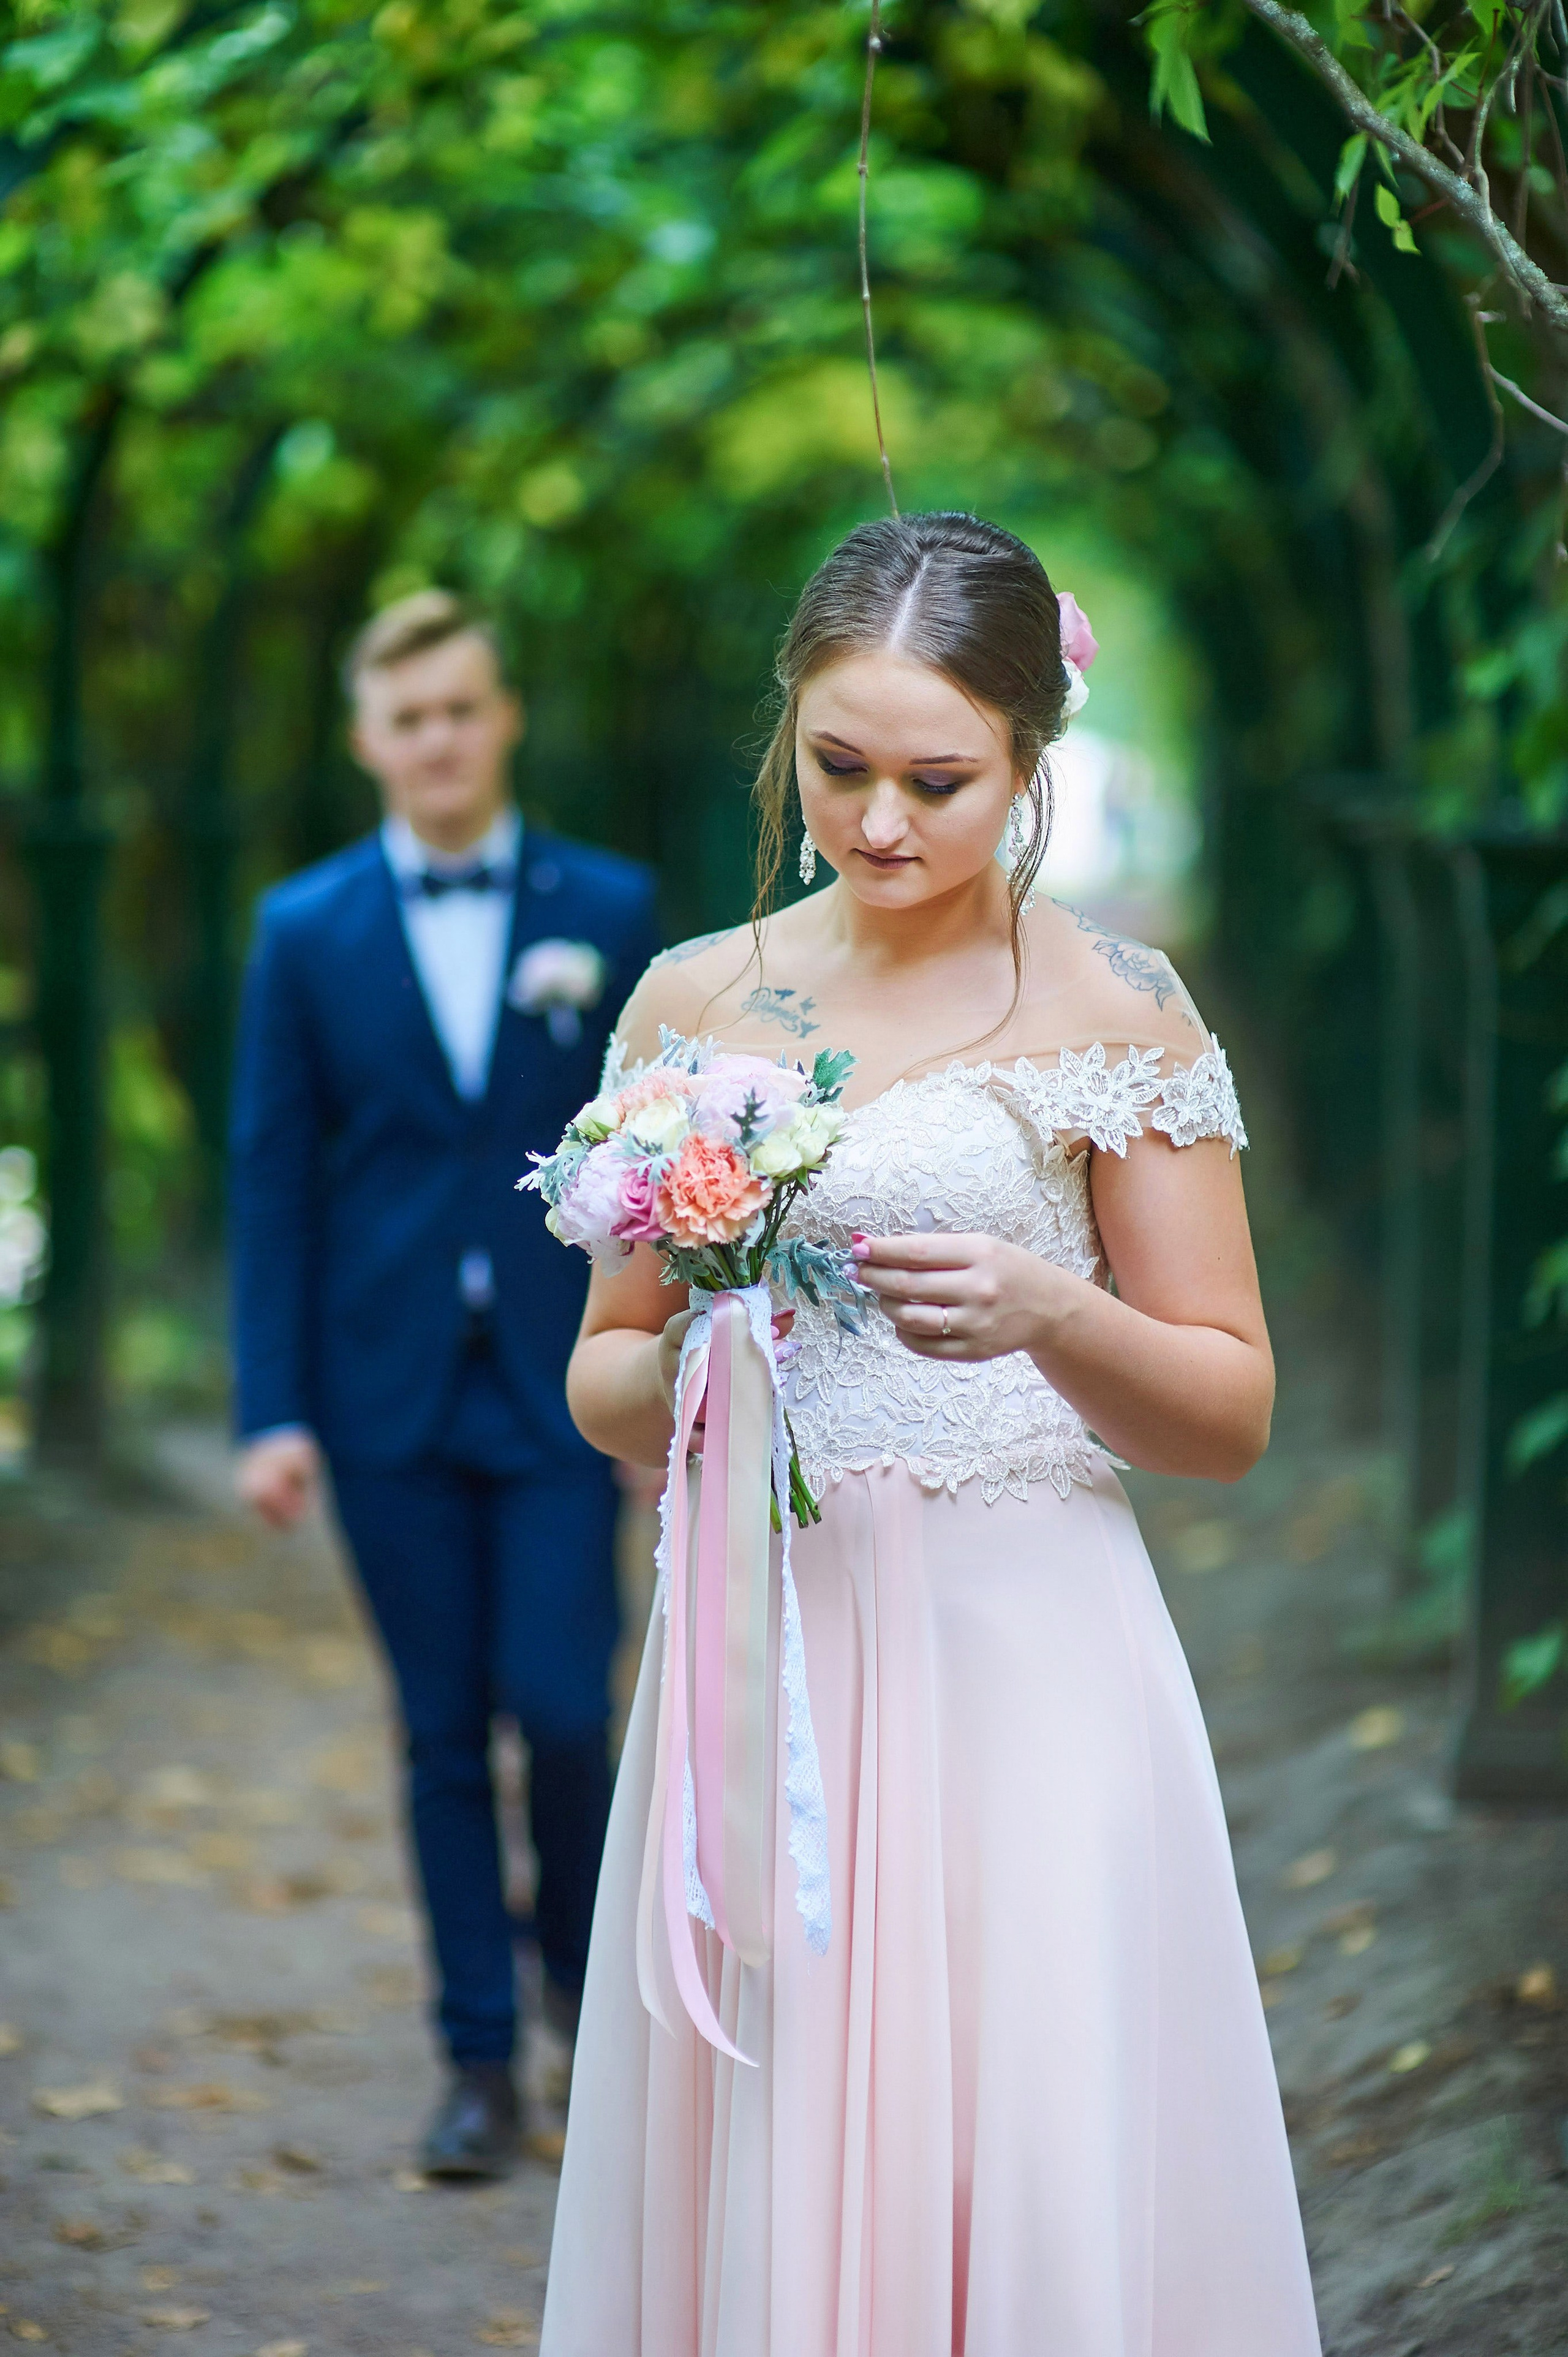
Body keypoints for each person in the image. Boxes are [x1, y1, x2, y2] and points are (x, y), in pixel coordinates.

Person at [539, 515, 1321, 2353]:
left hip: (1024, 1660)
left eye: (938, 779)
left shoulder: (1112, 1014)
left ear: (1032, 762)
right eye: (839, 766)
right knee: (788, 2114)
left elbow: (1230, 1412)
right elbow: (603, 1380)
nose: (881, 820)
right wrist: (707, 1362)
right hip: (772, 1647)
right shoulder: (694, 1002)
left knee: (1031, 2127)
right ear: (787, 733)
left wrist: (1058, 1316)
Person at [228, 590, 658, 2177]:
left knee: (559, 1707)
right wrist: (272, 1410)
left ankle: (578, 1998)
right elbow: (271, 1177)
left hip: (566, 1381)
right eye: (408, 719)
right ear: (369, 741)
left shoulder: (611, 907)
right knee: (434, 1728)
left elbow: (665, 1159)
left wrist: (664, 1389)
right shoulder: (304, 930)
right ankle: (475, 2061)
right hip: (382, 1387)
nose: (439, 741)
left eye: (463, 710)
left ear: (506, 716)